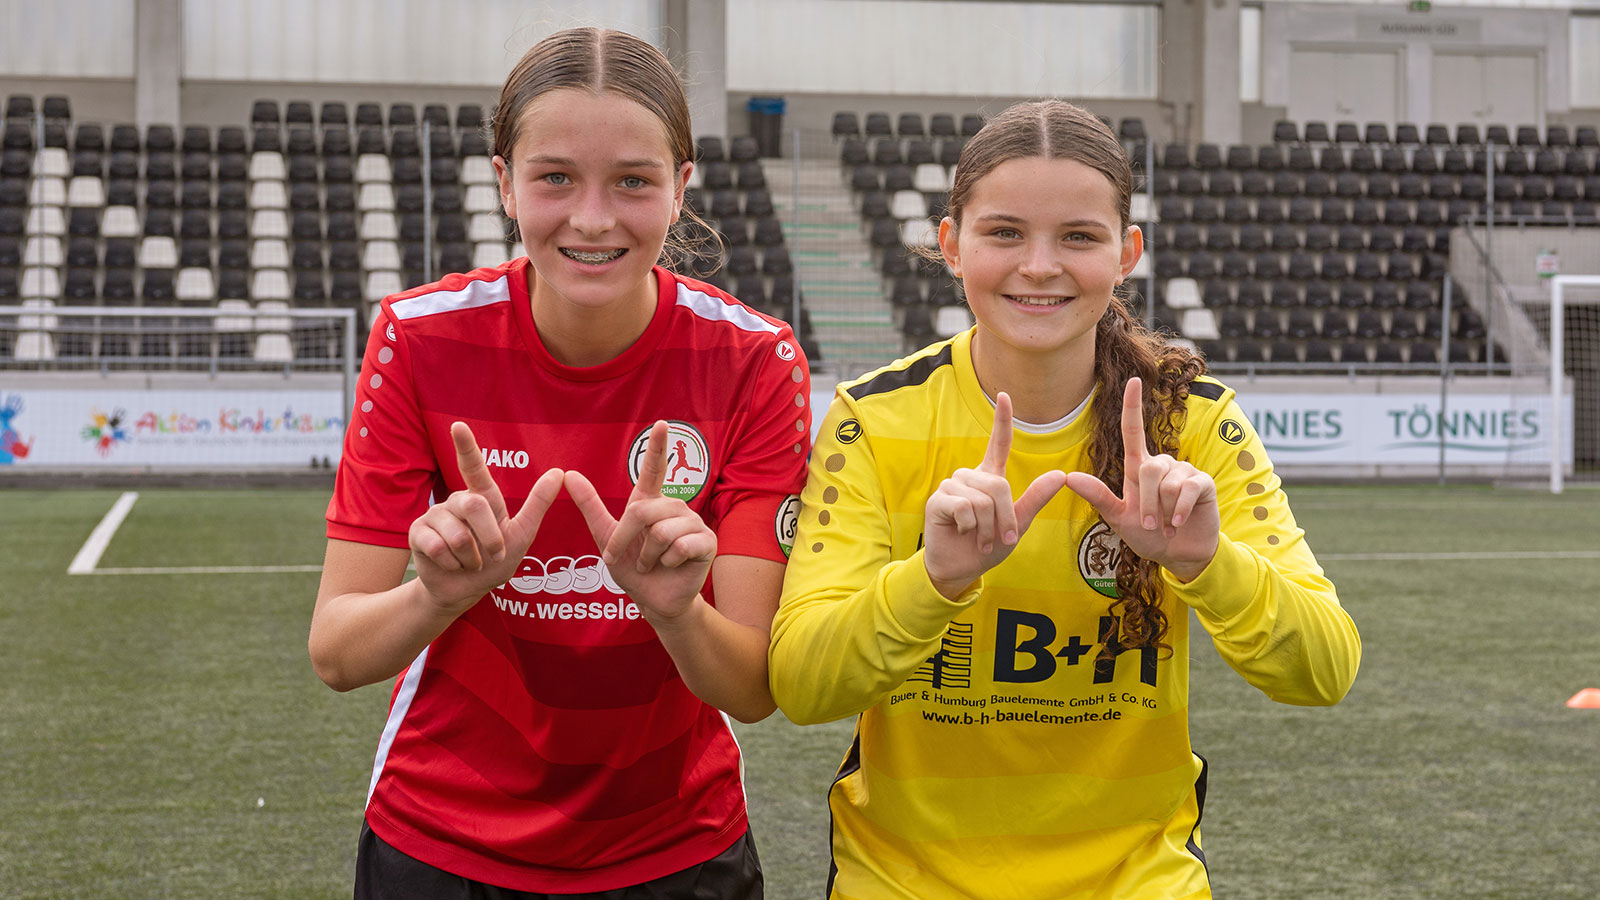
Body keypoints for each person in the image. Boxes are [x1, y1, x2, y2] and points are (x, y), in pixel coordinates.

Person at [768, 100, 1361, 900]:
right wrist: (932, 580)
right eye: (1004, 232)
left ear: (1127, 253)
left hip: (1134, 882)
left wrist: (1205, 564)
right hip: (908, 881)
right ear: (951, 245)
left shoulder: (1193, 420)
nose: (1040, 266)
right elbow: (803, 687)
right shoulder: (873, 420)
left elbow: (1322, 669)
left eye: (1078, 237)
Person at [310, 27, 810, 899]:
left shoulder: (754, 360)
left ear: (681, 185)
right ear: (505, 182)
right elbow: (337, 653)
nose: (591, 217)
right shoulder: (418, 340)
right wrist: (438, 592)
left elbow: (753, 685)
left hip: (677, 851)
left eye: (633, 181)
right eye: (554, 178)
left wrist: (677, 611)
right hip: (441, 847)